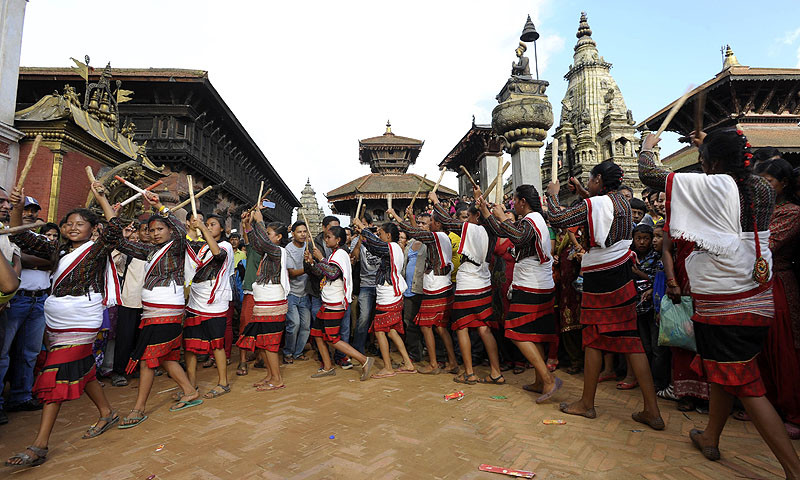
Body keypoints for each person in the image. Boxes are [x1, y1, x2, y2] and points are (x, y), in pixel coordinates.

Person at [639, 128, 800, 477]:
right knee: (724, 372)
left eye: (705, 163)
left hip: (726, 304)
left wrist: (647, 147)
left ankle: (792, 468)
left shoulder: (717, 187)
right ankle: (710, 436)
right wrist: (709, 152)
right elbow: (731, 187)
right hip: (755, 296)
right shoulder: (758, 187)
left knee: (748, 385)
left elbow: (651, 174)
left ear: (712, 163)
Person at [5, 182, 120, 467]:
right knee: (85, 369)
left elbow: (115, 230)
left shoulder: (97, 250)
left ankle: (40, 445)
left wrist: (102, 197)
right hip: (57, 319)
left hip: (82, 317)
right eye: (68, 223)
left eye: (80, 224)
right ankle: (107, 412)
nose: (72, 227)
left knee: (55, 373)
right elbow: (22, 239)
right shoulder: (56, 249)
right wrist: (17, 209)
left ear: (93, 229)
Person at [547, 162, 663, 429]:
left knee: (593, 338)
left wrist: (553, 195)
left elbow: (558, 219)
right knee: (630, 340)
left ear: (599, 180)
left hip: (601, 278)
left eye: (590, 180)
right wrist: (582, 193)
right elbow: (602, 211)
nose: (588, 184)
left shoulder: (596, 203)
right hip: (622, 273)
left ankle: (587, 403)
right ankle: (652, 410)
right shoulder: (622, 202)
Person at [115, 191, 202, 427]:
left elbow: (182, 230)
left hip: (167, 310)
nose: (154, 234)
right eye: (151, 231)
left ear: (169, 231)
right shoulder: (148, 251)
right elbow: (121, 244)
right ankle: (188, 390)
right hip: (151, 312)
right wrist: (115, 219)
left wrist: (161, 206)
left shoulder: (176, 246)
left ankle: (139, 408)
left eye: (159, 229)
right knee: (164, 358)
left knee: (147, 359)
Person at [478, 184, 562, 403]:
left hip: (531, 284)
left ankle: (547, 378)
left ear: (523, 201)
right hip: (538, 282)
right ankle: (539, 381)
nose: (512, 204)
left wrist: (502, 217)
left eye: (514, 200)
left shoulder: (531, 221)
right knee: (535, 334)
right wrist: (488, 214)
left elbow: (517, 238)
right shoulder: (534, 221)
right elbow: (504, 233)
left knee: (515, 331)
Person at [431, 191, 504, 385]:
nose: (466, 220)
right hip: (483, 283)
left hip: (467, 285)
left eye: (468, 216)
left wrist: (436, 201)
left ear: (476, 216)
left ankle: (469, 372)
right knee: (484, 328)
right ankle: (496, 372)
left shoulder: (471, 230)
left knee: (462, 328)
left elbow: (447, 221)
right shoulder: (491, 230)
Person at [755, 158, 800, 439]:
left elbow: (765, 245)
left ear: (784, 184)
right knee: (759, 345)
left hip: (778, 283)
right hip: (756, 284)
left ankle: (794, 412)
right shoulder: (759, 210)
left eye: (768, 182)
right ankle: (765, 403)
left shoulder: (792, 213)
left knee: (783, 347)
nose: (763, 187)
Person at [388, 205, 459, 376]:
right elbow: (416, 231)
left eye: (431, 222)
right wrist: (411, 217)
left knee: (427, 326)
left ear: (438, 224)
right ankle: (452, 362)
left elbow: (415, 233)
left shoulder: (436, 237)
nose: (428, 225)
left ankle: (434, 364)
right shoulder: (442, 237)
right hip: (442, 285)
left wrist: (396, 217)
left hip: (436, 286)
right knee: (440, 327)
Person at [0, 195, 50, 418]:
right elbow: (27, 261)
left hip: (36, 299)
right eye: (24, 209)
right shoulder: (9, 233)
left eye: (33, 210)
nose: (29, 214)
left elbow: (50, 259)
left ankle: (22, 396)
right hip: (13, 300)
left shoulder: (37, 236)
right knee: (3, 354)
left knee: (29, 352)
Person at [304, 225, 375, 380]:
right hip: (328, 302)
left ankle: (364, 360)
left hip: (335, 303)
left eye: (329, 237)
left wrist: (320, 258)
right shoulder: (334, 254)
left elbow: (333, 273)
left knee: (332, 338)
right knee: (317, 333)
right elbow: (322, 272)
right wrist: (311, 263)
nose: (326, 239)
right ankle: (328, 366)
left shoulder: (341, 254)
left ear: (338, 240)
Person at [351, 218, 416, 377]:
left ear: (388, 236)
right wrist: (363, 236)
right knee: (392, 332)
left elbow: (377, 246)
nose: (379, 237)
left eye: (380, 234)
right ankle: (408, 363)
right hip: (391, 294)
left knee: (380, 331)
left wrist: (363, 228)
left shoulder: (391, 247)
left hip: (388, 295)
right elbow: (375, 248)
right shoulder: (393, 248)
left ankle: (388, 367)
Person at [237, 209, 289, 391]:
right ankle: (270, 375)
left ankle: (277, 379)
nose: (266, 237)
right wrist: (249, 224)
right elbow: (256, 242)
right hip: (264, 303)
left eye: (269, 233)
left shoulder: (277, 251)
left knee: (270, 343)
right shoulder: (267, 252)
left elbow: (263, 243)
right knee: (264, 341)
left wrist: (259, 221)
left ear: (279, 237)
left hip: (272, 304)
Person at [184, 213, 233, 398]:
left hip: (214, 303)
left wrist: (203, 229)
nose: (209, 226)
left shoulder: (225, 246)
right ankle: (191, 385)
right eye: (207, 224)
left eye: (213, 224)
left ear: (221, 229)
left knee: (217, 343)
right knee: (190, 344)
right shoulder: (200, 247)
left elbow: (217, 256)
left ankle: (223, 382)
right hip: (196, 300)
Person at [283, 221, 312, 364]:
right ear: (293, 233)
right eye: (299, 232)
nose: (302, 234)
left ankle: (298, 352)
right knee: (294, 324)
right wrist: (309, 267)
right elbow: (292, 273)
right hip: (292, 293)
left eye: (304, 231)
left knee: (306, 325)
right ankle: (288, 352)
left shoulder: (310, 247)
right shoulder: (288, 249)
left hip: (305, 293)